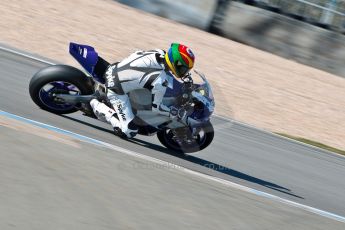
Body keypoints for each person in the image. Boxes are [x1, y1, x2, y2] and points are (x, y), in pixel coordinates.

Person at [89, 43, 195, 138]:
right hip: (116, 89)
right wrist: (173, 112)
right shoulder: (160, 81)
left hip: (115, 68)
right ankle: (95, 104)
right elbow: (156, 108)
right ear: (176, 63)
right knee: (129, 131)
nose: (184, 72)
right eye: (184, 69)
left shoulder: (159, 52)